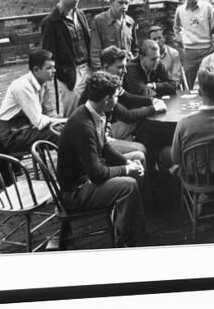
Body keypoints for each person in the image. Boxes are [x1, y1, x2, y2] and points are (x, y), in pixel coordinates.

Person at [57, 72, 147, 247]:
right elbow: (97, 174)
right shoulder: (83, 125)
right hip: (76, 191)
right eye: (115, 96)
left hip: (88, 175)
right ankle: (126, 238)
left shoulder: (95, 112)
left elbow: (104, 147)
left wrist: (127, 162)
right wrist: (127, 170)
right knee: (129, 185)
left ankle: (130, 220)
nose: (117, 100)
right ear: (106, 99)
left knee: (138, 156)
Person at [158, 67, 214, 193]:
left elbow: (175, 158)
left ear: (199, 92)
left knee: (163, 154)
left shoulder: (184, 123)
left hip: (193, 172)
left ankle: (177, 192)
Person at [78, 46, 166, 153]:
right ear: (106, 67)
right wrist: (154, 108)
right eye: (120, 67)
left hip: (105, 129)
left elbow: (128, 97)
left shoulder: (109, 80)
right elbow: (127, 116)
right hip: (97, 139)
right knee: (141, 145)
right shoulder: (102, 86)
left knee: (143, 122)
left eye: (125, 67)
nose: (125, 71)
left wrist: (151, 100)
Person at [0, 49, 62, 154]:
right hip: (12, 135)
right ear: (36, 69)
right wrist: (62, 121)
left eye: (54, 67)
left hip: (27, 128)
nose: (54, 71)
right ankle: (67, 167)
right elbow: (38, 122)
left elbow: (48, 112)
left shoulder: (42, 83)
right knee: (59, 134)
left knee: (66, 129)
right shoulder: (23, 87)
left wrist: (62, 122)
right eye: (49, 68)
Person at [41, 0, 91, 117]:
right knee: (73, 115)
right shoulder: (50, 22)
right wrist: (63, 74)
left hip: (88, 69)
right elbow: (48, 55)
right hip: (70, 75)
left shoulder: (80, 14)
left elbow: (88, 41)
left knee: (91, 110)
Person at [173, 0, 214, 88]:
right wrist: (181, 40)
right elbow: (176, 28)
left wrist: (213, 47)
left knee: (209, 83)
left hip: (206, 51)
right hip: (189, 53)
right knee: (190, 85)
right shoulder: (180, 10)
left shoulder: (207, 8)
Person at [89, 0, 138, 71]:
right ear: (111, 2)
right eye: (120, 3)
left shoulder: (130, 22)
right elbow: (95, 52)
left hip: (127, 70)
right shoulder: (99, 21)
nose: (124, 6)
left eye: (126, 3)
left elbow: (135, 49)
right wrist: (100, 73)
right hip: (109, 72)